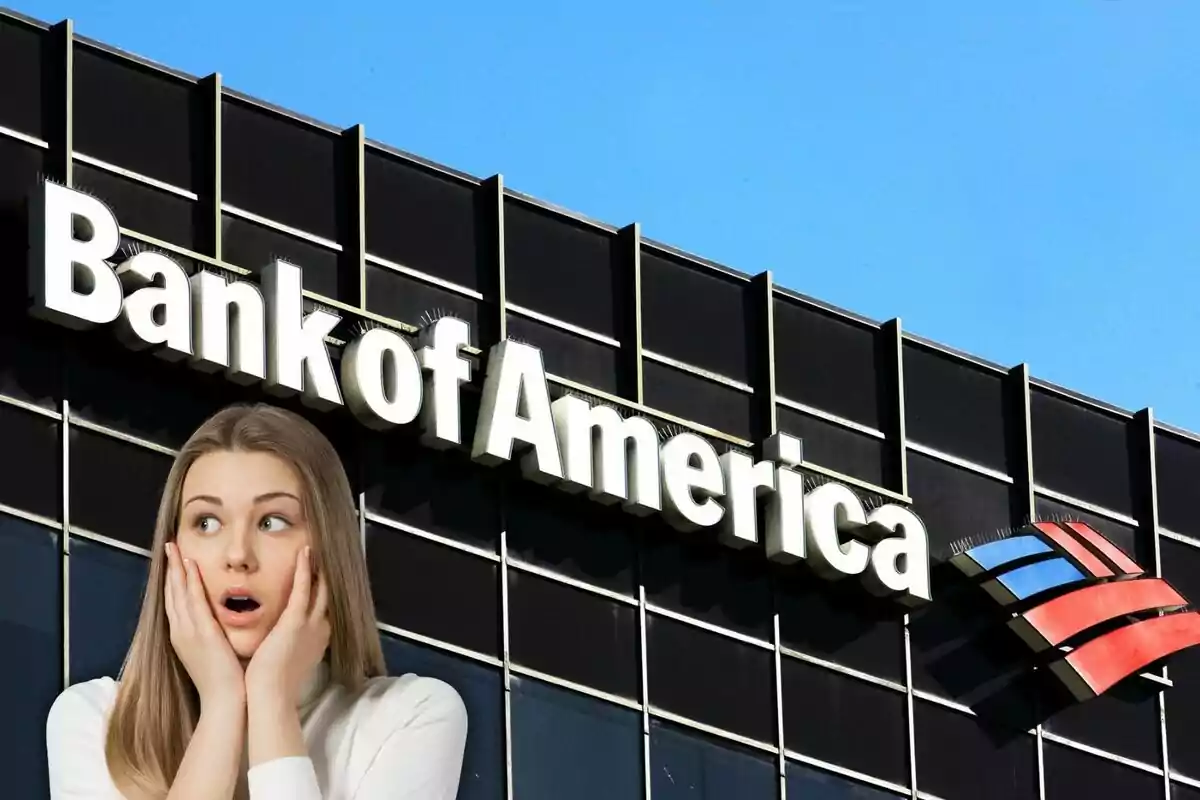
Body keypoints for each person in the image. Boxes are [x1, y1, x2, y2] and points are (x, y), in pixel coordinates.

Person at [45, 403, 468, 799]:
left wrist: (270, 700)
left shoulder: (410, 717)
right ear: (172, 552)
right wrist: (222, 706)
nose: (237, 556)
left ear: (328, 552)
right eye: (206, 522)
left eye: (272, 522)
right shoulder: (94, 723)